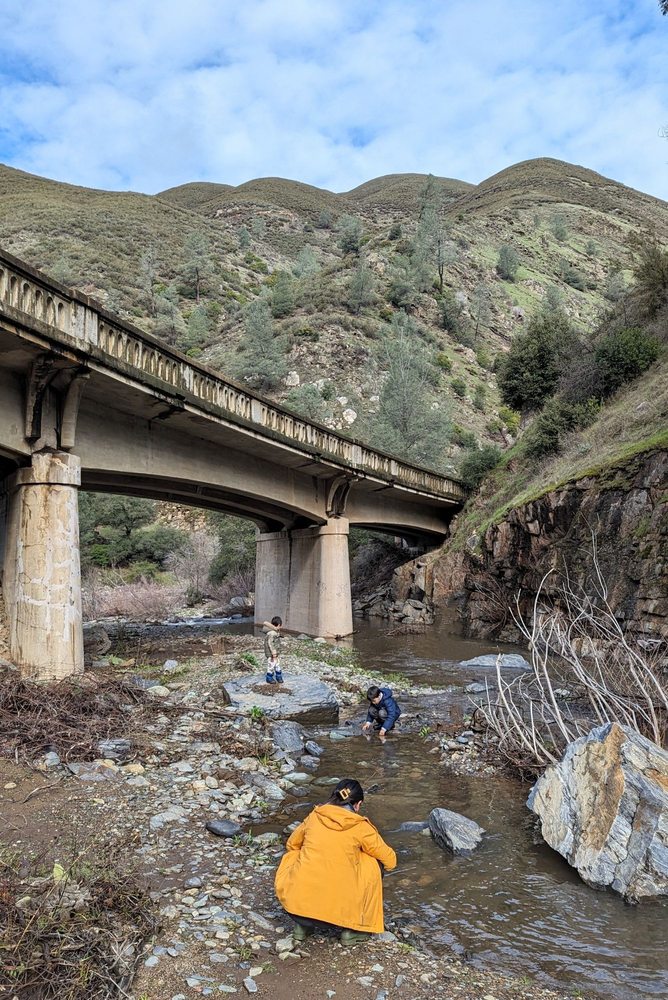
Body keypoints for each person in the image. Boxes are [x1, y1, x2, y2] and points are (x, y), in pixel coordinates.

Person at [274, 778, 396, 945]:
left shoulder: (315, 816)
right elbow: (390, 860)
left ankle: (302, 927)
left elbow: (291, 844)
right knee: (372, 863)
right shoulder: (360, 826)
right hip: (337, 918)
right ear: (358, 804)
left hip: (296, 910)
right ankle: (352, 930)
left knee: (295, 854)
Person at [262, 616, 283, 684]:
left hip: (275, 653)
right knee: (271, 665)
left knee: (277, 664)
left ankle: (278, 676)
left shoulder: (274, 632)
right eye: (280, 626)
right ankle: (269, 678)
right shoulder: (272, 633)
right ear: (279, 625)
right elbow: (270, 643)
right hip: (271, 654)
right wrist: (273, 653)